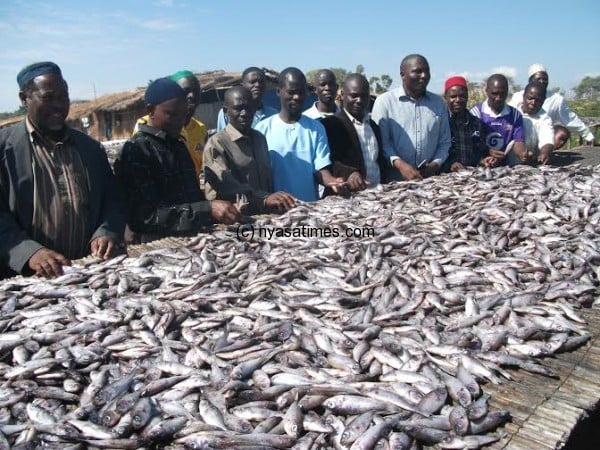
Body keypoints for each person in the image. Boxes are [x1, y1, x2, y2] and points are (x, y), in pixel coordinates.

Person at [0, 62, 125, 279]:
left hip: (88, 272)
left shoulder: (90, 149)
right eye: (48, 98)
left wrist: (106, 231)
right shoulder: (5, 150)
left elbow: (113, 198)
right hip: (26, 279)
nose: (59, 106)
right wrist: (29, 252)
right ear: (24, 99)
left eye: (63, 97)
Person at [114, 78, 241, 244]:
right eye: (172, 114)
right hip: (156, 247)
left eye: (183, 115)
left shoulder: (178, 145)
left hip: (192, 242)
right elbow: (146, 217)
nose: (180, 121)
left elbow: (193, 199)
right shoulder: (137, 151)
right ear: (151, 110)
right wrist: (207, 209)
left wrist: (219, 210)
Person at [254, 67, 345, 202]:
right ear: (279, 92)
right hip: (275, 211)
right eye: (291, 92)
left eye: (301, 92)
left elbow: (320, 169)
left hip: (308, 209)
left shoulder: (316, 128)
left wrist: (332, 181)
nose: (296, 97)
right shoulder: (262, 128)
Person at [203, 86, 296, 214]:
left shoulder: (259, 139)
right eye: (238, 108)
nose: (244, 113)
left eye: (248, 108)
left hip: (265, 216)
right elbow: (226, 185)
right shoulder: (217, 143)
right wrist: (264, 198)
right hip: (235, 219)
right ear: (226, 111)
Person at [371, 54, 451, 181]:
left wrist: (436, 164)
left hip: (430, 181)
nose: (424, 76)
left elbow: (445, 142)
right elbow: (382, 142)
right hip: (394, 182)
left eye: (426, 71)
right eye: (417, 72)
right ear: (403, 75)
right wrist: (400, 164)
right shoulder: (385, 102)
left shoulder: (438, 103)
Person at [133, 70, 207, 182]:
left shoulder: (200, 129)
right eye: (185, 91)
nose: (192, 96)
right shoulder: (145, 126)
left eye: (196, 91)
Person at [321, 73, 386, 191]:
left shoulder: (373, 126)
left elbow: (379, 161)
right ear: (343, 95)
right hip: (346, 198)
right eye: (354, 96)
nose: (359, 100)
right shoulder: (330, 125)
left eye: (364, 96)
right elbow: (326, 163)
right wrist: (349, 173)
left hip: (376, 195)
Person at [509, 63, 595, 146]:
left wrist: (589, 136)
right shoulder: (518, 96)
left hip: (542, 143)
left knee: (562, 133)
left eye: (545, 79)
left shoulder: (556, 99)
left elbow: (570, 120)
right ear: (530, 81)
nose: (542, 81)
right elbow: (507, 116)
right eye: (538, 79)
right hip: (518, 142)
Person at [470, 74, 528, 167]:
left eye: (502, 94)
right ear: (487, 91)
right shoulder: (475, 113)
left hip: (505, 166)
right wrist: (486, 153)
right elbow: (471, 142)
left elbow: (518, 141)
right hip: (480, 165)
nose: (498, 98)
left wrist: (522, 153)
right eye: (494, 93)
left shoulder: (515, 115)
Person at [441, 75, 484, 172]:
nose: (458, 100)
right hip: (445, 177)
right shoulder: (441, 122)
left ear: (467, 96)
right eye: (453, 97)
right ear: (445, 97)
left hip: (471, 176)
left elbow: (480, 150)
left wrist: (483, 160)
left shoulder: (476, 123)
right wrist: (450, 164)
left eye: (462, 96)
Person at [216, 67, 277, 131]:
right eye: (252, 82)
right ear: (242, 85)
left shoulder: (273, 114)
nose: (257, 85)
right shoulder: (228, 112)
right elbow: (222, 137)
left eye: (261, 82)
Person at [511, 81, 554, 165]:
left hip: (529, 163)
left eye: (538, 100)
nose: (533, 103)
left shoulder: (544, 118)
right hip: (505, 162)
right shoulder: (511, 111)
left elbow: (547, 139)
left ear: (544, 100)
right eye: (530, 98)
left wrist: (544, 153)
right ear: (523, 96)